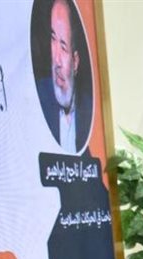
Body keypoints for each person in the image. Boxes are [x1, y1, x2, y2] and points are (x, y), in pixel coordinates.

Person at [36, 0, 92, 153]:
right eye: (53, 39)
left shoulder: (88, 111)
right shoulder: (39, 98)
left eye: (63, 47)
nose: (56, 60)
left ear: (75, 62)